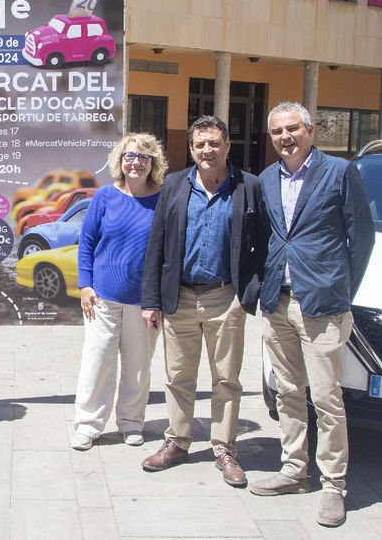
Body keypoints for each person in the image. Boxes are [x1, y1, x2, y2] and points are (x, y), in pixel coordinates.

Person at [249, 102, 375, 528]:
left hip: (321, 306)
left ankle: (334, 485)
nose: (285, 138)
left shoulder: (339, 172)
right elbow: (267, 236)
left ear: (310, 129)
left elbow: (362, 238)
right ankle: (293, 469)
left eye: (292, 129)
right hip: (278, 302)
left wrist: (339, 289)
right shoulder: (267, 178)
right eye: (277, 132)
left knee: (325, 398)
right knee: (286, 392)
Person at [139, 116, 264, 486]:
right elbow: (156, 245)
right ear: (191, 149)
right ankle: (177, 441)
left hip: (226, 297)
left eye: (213, 143)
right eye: (199, 145)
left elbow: (262, 244)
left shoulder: (248, 187)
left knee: (226, 378)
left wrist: (249, 293)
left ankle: (224, 448)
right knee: (178, 377)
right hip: (179, 296)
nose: (207, 150)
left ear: (227, 145)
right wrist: (151, 300)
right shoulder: (175, 185)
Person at [70, 134, 165, 451]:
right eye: (130, 156)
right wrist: (85, 285)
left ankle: (131, 422)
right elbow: (87, 244)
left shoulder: (162, 200)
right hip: (103, 298)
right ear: (119, 161)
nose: (136, 162)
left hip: (144, 302)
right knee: (96, 363)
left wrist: (158, 300)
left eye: (143, 157)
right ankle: (88, 424)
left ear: (152, 163)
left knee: (138, 367)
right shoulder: (105, 197)